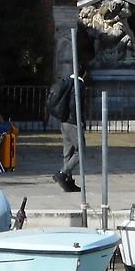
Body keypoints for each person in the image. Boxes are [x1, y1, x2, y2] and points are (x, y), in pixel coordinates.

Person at [48, 65, 85, 193]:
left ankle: (67, 183)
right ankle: (62, 173)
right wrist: (78, 120)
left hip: (64, 121)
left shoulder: (67, 82)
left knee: (67, 152)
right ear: (84, 73)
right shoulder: (78, 84)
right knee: (81, 151)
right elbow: (75, 103)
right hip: (73, 122)